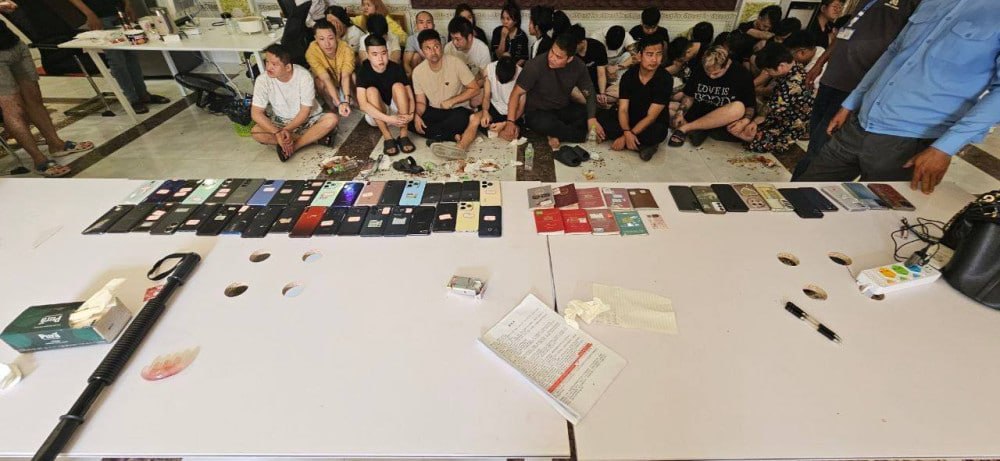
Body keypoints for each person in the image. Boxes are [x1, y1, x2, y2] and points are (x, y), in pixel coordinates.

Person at [796, 0, 1000, 194]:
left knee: (880, 213)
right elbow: (893, 53)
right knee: (805, 192)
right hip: (860, 122)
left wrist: (945, 147)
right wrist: (851, 103)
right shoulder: (931, 2)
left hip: (910, 141)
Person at [795, 0, 918, 179]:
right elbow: (845, 32)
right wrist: (820, 63)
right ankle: (797, 185)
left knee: (822, 145)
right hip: (832, 79)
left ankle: (798, 187)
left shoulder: (912, 4)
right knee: (815, 138)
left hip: (854, 87)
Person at [0, 0, 92, 177]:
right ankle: (39, 159)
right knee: (13, 109)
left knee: (34, 99)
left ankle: (56, 144)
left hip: (13, 44)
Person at [501, 32, 605, 149]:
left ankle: (557, 133)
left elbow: (589, 93)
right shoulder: (535, 66)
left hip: (562, 108)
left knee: (593, 113)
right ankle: (581, 135)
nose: (552, 58)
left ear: (570, 58)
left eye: (558, 57)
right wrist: (510, 122)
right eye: (552, 52)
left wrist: (591, 118)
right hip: (538, 112)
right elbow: (516, 93)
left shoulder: (578, 66)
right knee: (544, 124)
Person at [69, 0, 169, 114]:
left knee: (131, 56)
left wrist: (128, 4)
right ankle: (132, 99)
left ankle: (143, 94)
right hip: (99, 16)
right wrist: (89, 14)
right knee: (116, 59)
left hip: (120, 12)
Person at [250, 45, 339, 161]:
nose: (268, 67)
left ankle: (295, 146)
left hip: (309, 119)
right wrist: (277, 132)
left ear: (287, 67)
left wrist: (287, 130)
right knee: (256, 132)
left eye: (274, 64)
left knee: (332, 119)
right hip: (281, 122)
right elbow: (256, 113)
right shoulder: (262, 80)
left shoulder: (303, 76)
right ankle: (315, 138)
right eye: (267, 62)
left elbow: (305, 111)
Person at [729, 43, 813, 154]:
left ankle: (747, 137)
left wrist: (753, 123)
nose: (767, 73)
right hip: (783, 111)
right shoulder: (794, 66)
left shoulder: (790, 86)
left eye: (768, 70)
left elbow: (771, 111)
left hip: (791, 123)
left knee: (757, 140)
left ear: (781, 66)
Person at [410, 29, 482, 159]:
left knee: (461, 118)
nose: (433, 52)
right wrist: (417, 115)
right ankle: (450, 136)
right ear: (422, 51)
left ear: (441, 46)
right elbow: (420, 102)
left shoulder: (455, 63)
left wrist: (452, 101)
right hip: (434, 111)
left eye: (436, 46)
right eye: (428, 48)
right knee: (410, 121)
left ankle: (437, 136)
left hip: (456, 110)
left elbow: (475, 89)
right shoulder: (418, 72)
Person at [597, 37, 671, 161]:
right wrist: (627, 131)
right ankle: (640, 145)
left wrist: (627, 135)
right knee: (602, 117)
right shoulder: (629, 76)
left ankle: (645, 144)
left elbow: (651, 116)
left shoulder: (665, 79)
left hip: (651, 123)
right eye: (649, 54)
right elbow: (623, 109)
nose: (654, 59)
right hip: (630, 117)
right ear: (639, 55)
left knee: (658, 132)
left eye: (659, 54)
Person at [667, 46, 755, 147]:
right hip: (699, 110)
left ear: (726, 65)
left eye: (716, 73)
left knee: (738, 108)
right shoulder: (699, 68)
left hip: (722, 118)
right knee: (665, 107)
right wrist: (680, 113)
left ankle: (686, 128)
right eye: (707, 73)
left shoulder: (742, 74)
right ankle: (696, 129)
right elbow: (689, 96)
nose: (711, 76)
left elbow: (750, 105)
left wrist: (745, 121)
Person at [356, 35, 416, 156]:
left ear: (387, 52)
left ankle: (403, 135)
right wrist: (388, 119)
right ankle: (387, 137)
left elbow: (410, 95)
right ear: (368, 55)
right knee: (371, 91)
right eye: (375, 54)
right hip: (377, 116)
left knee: (398, 86)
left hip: (398, 113)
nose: (380, 58)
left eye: (383, 53)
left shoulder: (396, 68)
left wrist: (411, 114)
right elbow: (363, 105)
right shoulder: (363, 71)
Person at [306, 20, 355, 112]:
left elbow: (345, 76)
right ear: (316, 39)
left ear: (336, 36)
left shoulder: (346, 48)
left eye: (330, 38)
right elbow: (326, 79)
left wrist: (346, 100)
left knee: (353, 76)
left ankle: (356, 103)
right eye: (322, 39)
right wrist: (339, 103)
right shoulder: (311, 53)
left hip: (342, 79)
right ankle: (332, 107)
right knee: (319, 83)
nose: (327, 44)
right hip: (328, 80)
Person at [480, 56, 522, 136]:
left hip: (512, 113)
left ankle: (500, 130)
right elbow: (486, 96)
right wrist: (485, 111)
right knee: (476, 120)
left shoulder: (522, 75)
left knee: (512, 134)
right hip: (495, 107)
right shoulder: (489, 69)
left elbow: (520, 108)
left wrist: (506, 123)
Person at [569, 25, 609, 107]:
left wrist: (602, 93)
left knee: (618, 91)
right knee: (572, 93)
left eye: (574, 45)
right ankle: (599, 104)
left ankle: (597, 102)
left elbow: (601, 74)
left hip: (596, 85)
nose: (571, 48)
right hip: (579, 87)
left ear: (582, 42)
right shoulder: (569, 51)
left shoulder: (598, 47)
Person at [404, 11, 434, 77]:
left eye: (428, 22)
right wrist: (411, 75)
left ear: (433, 25)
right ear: (416, 25)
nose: (425, 26)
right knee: (416, 56)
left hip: (435, 67)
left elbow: (435, 58)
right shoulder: (412, 39)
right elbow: (406, 62)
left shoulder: (439, 38)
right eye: (421, 22)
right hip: (418, 72)